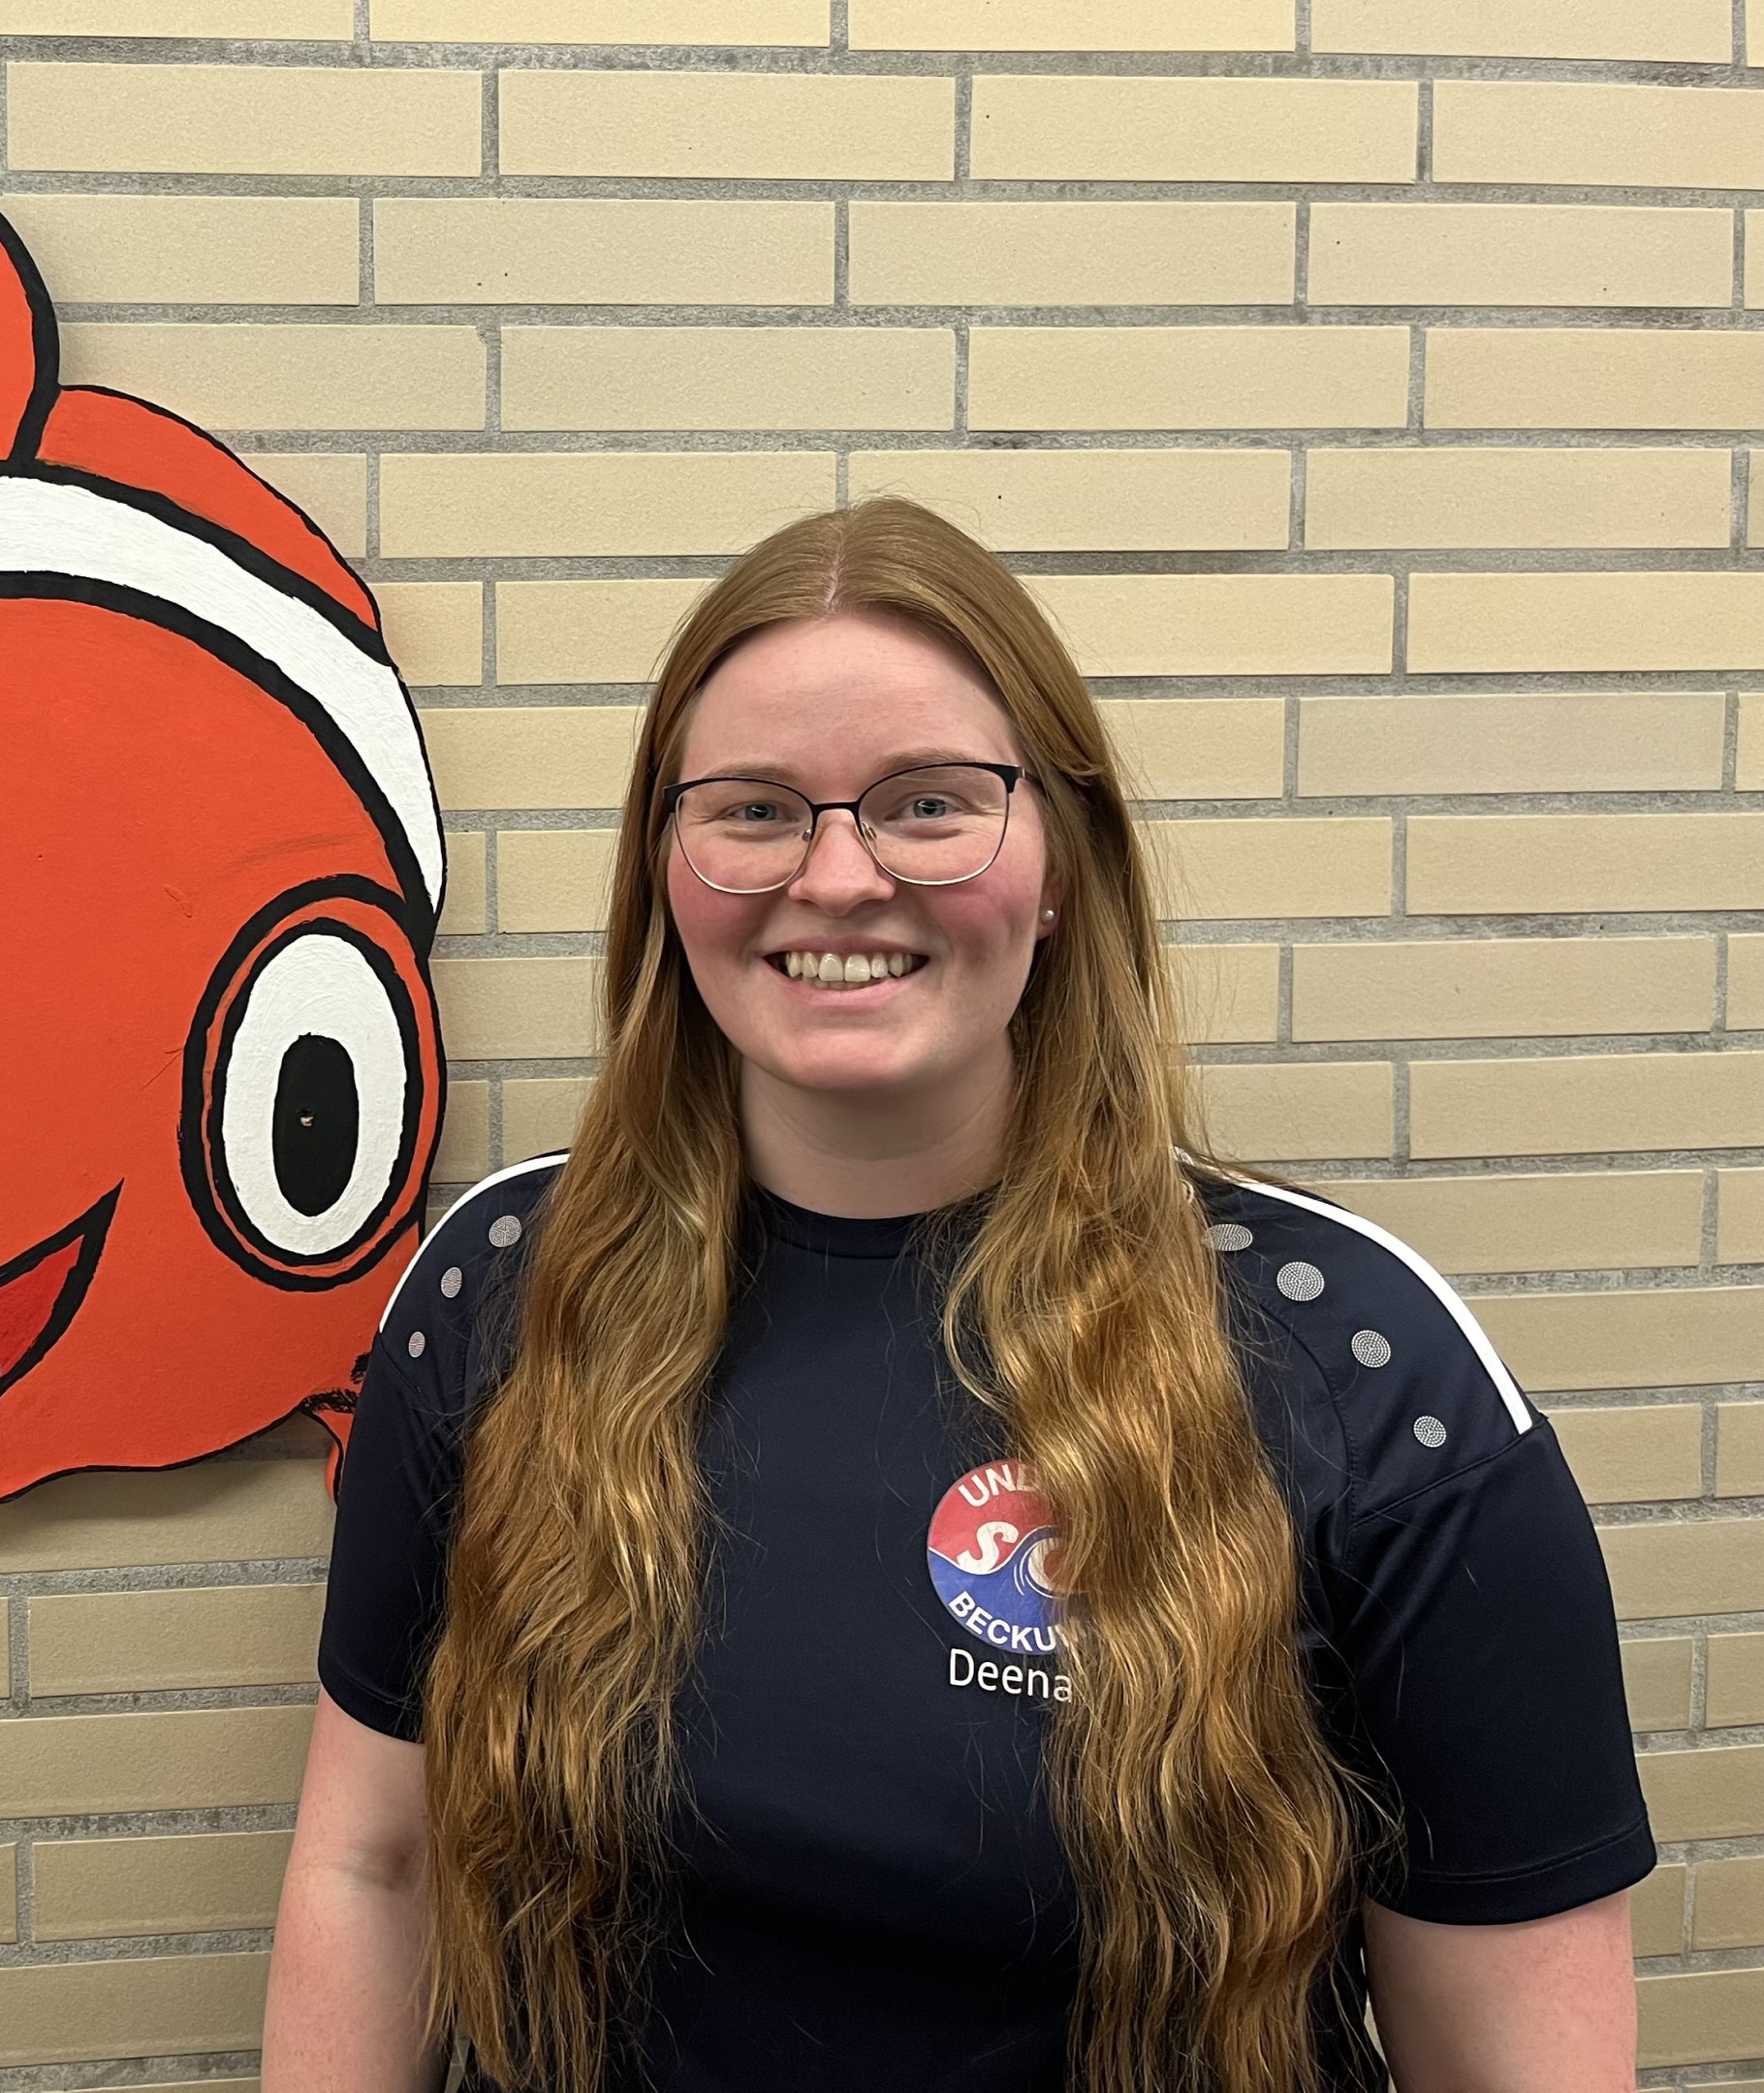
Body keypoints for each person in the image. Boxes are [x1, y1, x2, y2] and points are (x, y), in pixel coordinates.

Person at [260, 499, 1652, 2093]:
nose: (839, 877)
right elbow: (370, 1868)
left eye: (930, 804)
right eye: (756, 810)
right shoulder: (504, 1294)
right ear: (666, 869)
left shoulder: (1364, 1371)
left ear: (1061, 866)